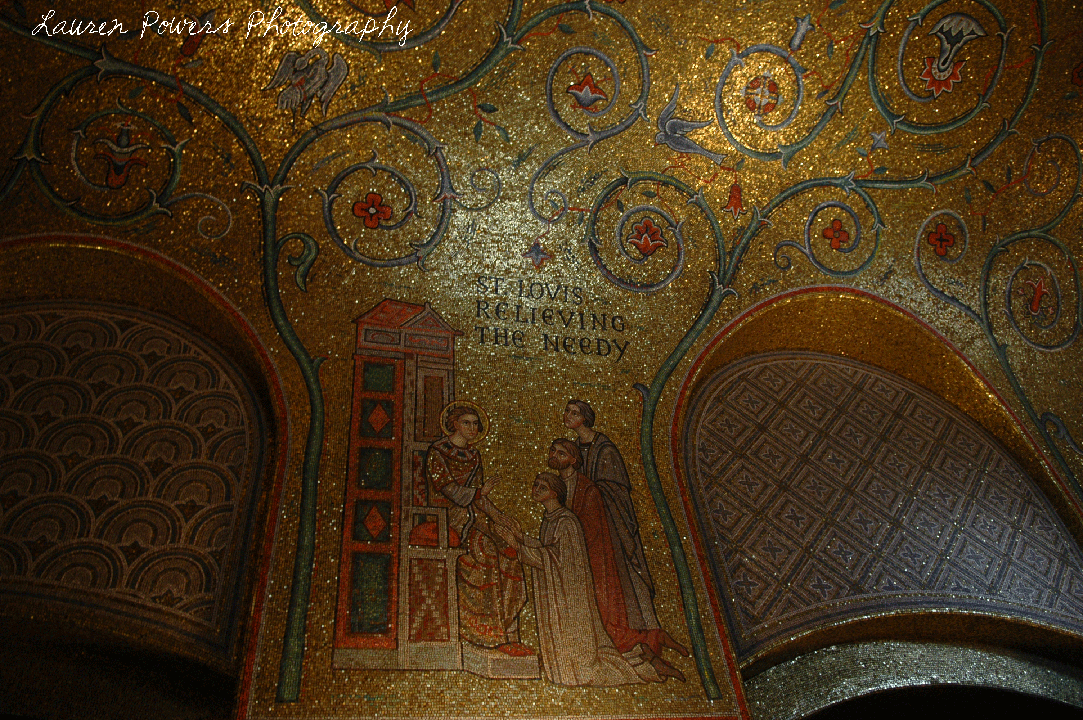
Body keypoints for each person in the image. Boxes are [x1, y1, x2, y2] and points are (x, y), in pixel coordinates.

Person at [562, 400, 690, 680]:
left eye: (573, 412)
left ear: (585, 418)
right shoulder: (574, 449)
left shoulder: (604, 448)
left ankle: (649, 638)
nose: (567, 416)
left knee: (626, 580)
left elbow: (616, 489)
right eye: (567, 412)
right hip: (592, 529)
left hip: (613, 527)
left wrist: (593, 495)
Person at [493, 473, 655, 686]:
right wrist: (520, 537)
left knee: (573, 640)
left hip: (570, 597)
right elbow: (547, 550)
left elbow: (557, 559)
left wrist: (517, 546)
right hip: (557, 591)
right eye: (535, 485)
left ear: (555, 493)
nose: (536, 489)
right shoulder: (551, 520)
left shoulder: (567, 522)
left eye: (543, 487)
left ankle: (576, 671)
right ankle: (562, 670)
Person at [426, 402, 528, 653]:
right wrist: (479, 493)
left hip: (474, 515)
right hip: (450, 517)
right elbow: (448, 489)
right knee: (486, 553)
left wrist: (500, 517)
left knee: (510, 552)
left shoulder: (473, 456)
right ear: (454, 424)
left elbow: (480, 498)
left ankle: (507, 630)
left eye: (475, 424)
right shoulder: (437, 451)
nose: (472, 428)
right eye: (466, 423)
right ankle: (482, 632)